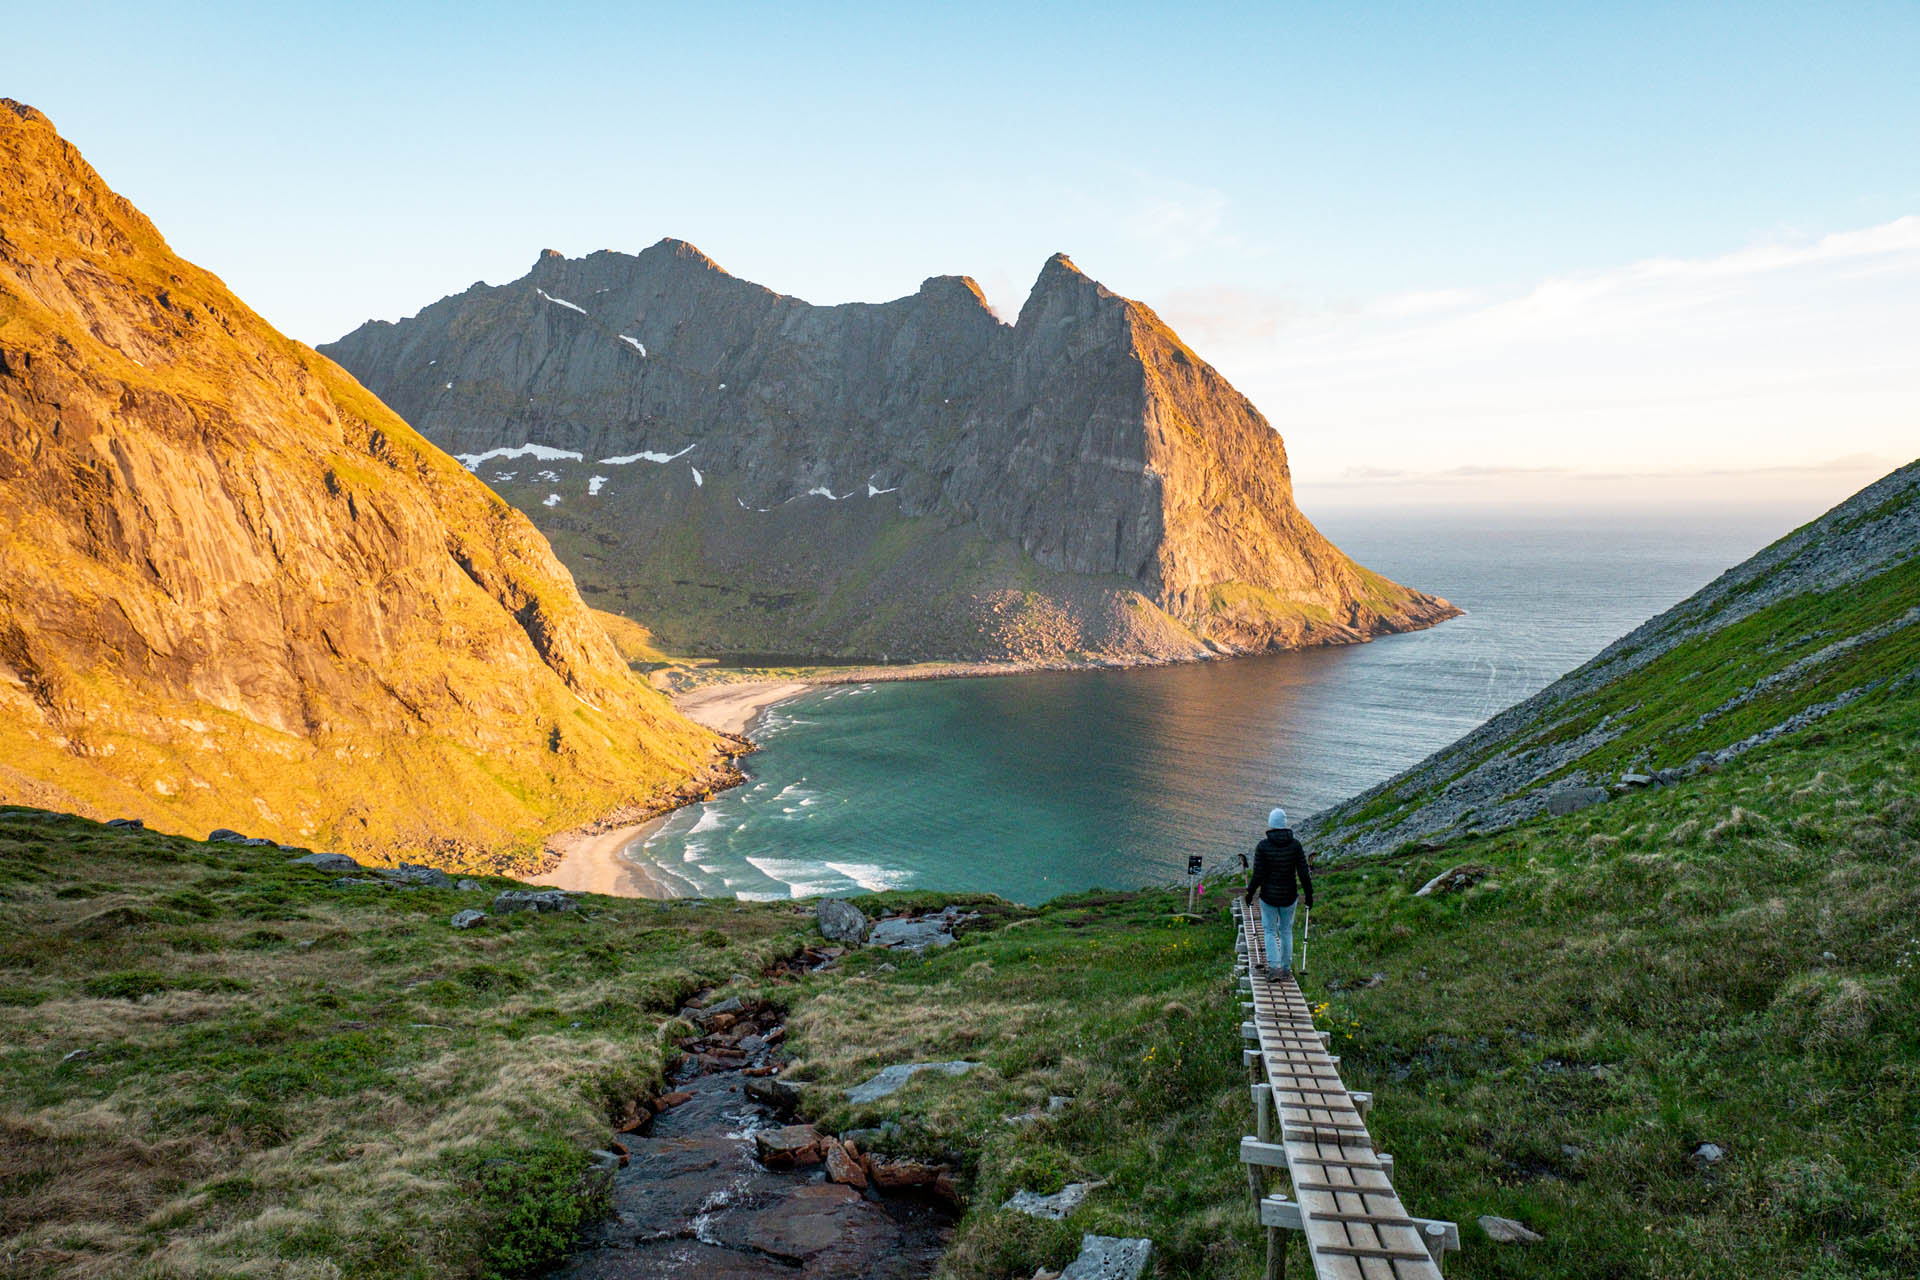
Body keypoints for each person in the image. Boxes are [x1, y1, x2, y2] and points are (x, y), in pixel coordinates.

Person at [1244, 806, 1312, 979]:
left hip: (1268, 896)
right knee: (1286, 930)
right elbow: (1303, 872)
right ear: (1285, 824)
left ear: (1271, 824)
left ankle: (1274, 968)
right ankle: (1286, 968)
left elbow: (1258, 874)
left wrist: (1250, 892)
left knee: (1269, 930)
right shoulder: (1295, 845)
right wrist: (1309, 894)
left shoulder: (1263, 846)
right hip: (1290, 895)